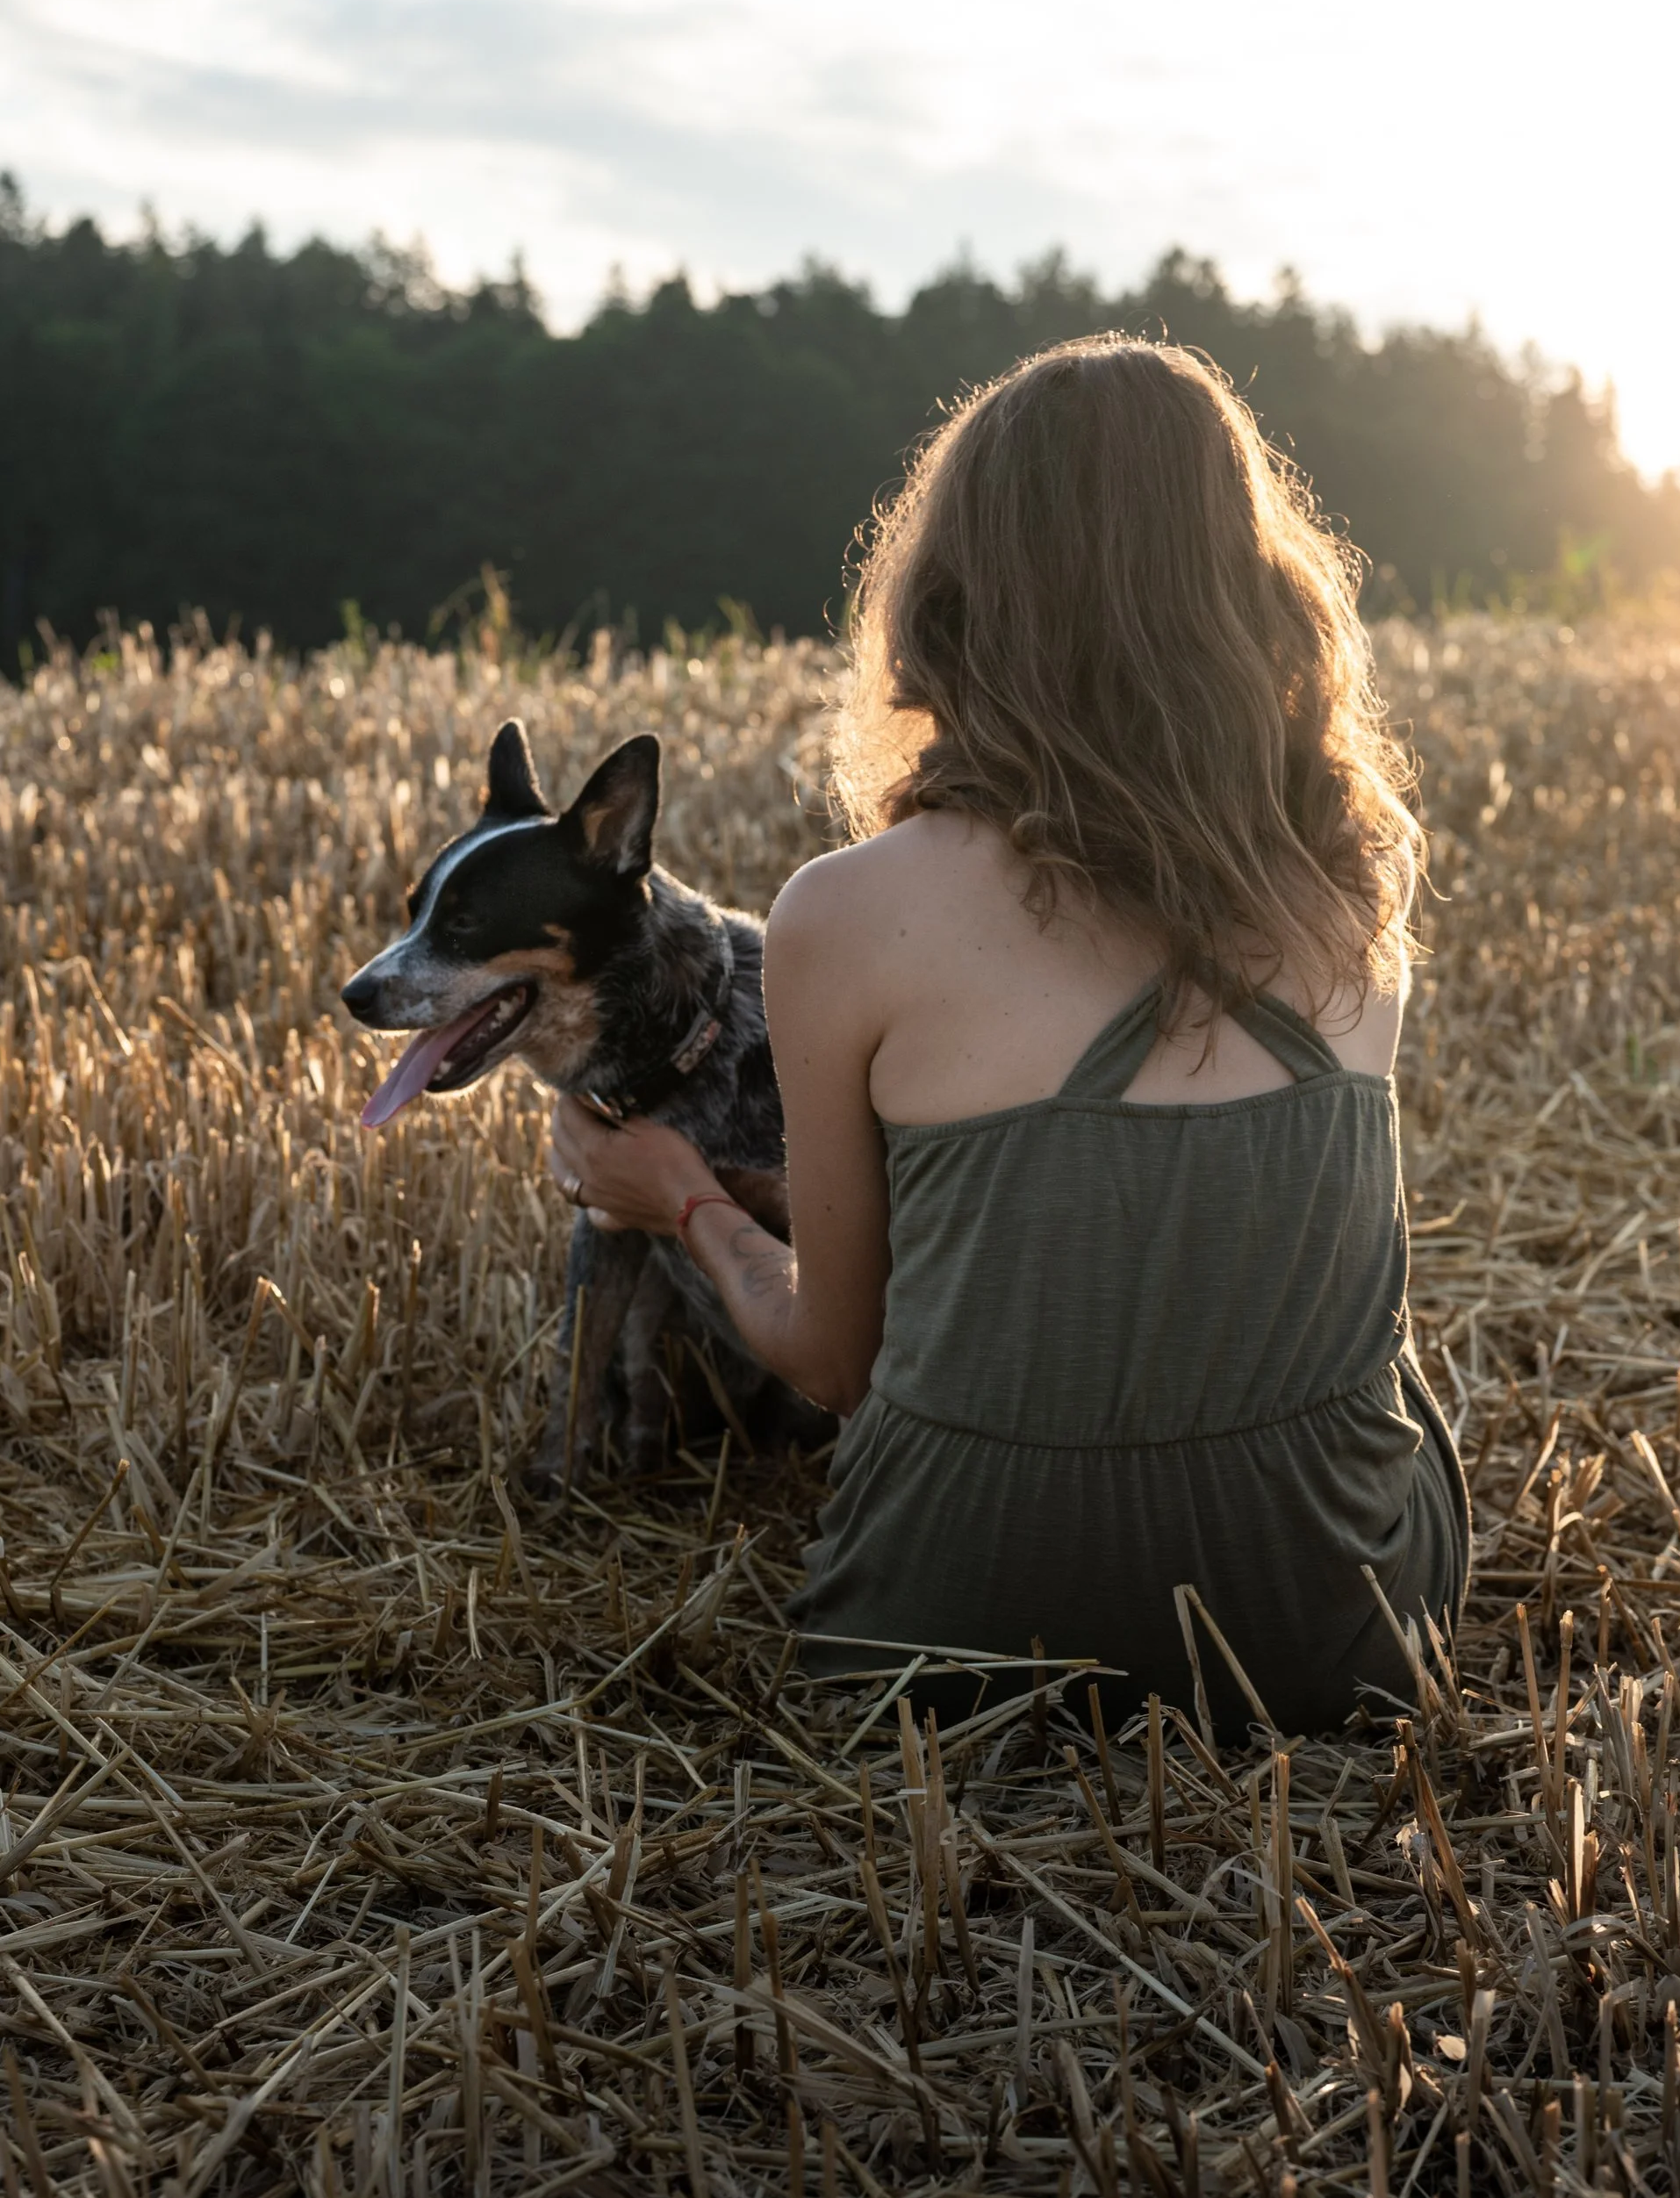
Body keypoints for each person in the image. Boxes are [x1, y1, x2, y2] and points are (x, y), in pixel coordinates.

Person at [548, 336, 1468, 1735]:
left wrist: (680, 1194)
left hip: (943, 1645)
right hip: (1335, 1647)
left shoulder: (843, 914)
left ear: (951, 597)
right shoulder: (1347, 878)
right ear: (1249, 591)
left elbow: (835, 1360)